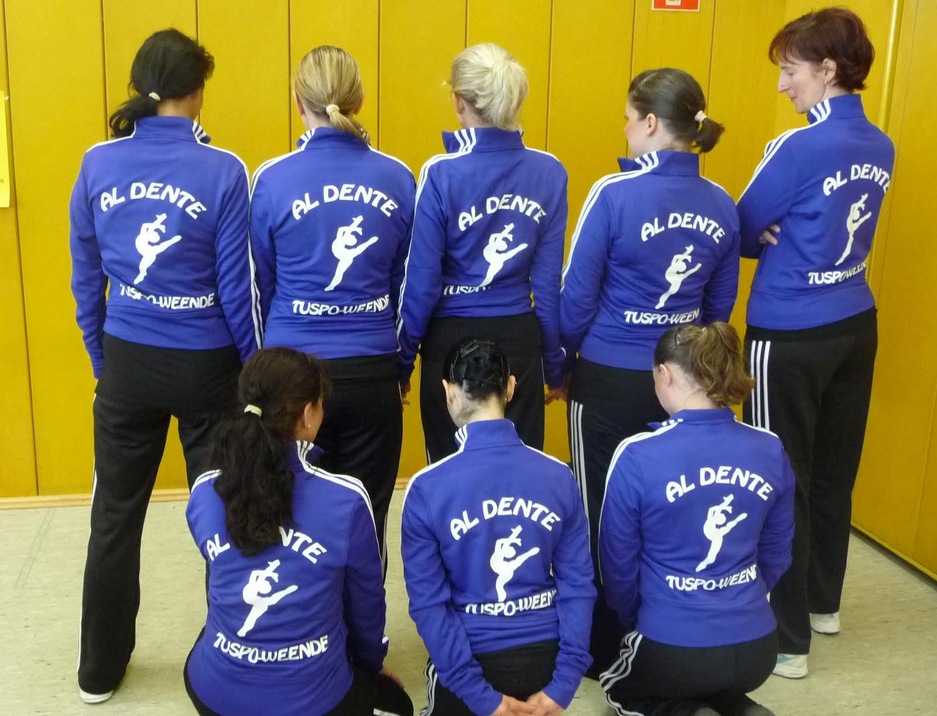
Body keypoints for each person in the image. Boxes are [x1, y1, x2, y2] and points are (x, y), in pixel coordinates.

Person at [69, 28, 261, 703]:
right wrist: (253, 372)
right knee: (223, 510)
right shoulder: (224, 168)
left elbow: (84, 280)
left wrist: (104, 359)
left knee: (114, 516)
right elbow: (238, 289)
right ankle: (234, 656)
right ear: (198, 91)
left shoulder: (96, 163)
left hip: (127, 361)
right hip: (207, 365)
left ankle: (97, 671)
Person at [558, 67, 740, 672]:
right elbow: (717, 311)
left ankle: (599, 646)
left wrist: (561, 364)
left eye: (629, 120)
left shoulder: (613, 194)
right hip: (684, 383)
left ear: (652, 124)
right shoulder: (722, 203)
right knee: (672, 507)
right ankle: (666, 636)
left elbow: (575, 300)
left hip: (608, 379)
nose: (627, 131)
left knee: (597, 511)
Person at [736, 8, 895, 678]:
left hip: (790, 335)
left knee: (782, 482)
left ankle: (787, 638)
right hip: (856, 326)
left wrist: (769, 232)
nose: (782, 86)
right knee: (833, 473)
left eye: (790, 71)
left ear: (828, 70)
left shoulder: (796, 147)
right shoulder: (880, 144)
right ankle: (823, 605)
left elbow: (740, 229)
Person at [184, 347, 413, 716]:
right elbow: (366, 608)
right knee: (400, 705)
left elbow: (221, 579)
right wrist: (371, 666)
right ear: (308, 415)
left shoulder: (205, 491)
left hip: (212, 695)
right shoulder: (346, 500)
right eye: (321, 404)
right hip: (316, 704)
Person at [249, 45, 414, 550]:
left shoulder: (271, 179)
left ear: (297, 101)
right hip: (371, 372)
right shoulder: (399, 177)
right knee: (367, 518)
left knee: (287, 514)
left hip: (291, 372)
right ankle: (363, 632)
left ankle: (302, 629)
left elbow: (260, 284)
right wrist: (399, 366)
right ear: (360, 99)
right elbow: (405, 286)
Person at [599, 323, 795, 716]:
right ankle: (741, 709)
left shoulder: (636, 455)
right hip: (758, 647)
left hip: (671, 643)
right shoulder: (770, 448)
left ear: (664, 373)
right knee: (703, 678)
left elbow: (616, 570)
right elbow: (776, 557)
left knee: (618, 688)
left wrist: (644, 619)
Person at [402, 340, 595, 716]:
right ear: (509, 388)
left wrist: (480, 697)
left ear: (449, 392)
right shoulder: (559, 476)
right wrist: (564, 684)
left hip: (472, 661)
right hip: (546, 662)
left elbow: (429, 606)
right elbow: (578, 587)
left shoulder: (425, 488)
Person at [396, 43, 568, 462]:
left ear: (458, 102)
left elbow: (421, 284)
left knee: (451, 469)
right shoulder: (550, 171)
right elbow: (546, 286)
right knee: (522, 469)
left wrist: (402, 363)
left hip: (450, 338)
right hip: (519, 339)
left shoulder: (441, 173)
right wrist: (555, 364)